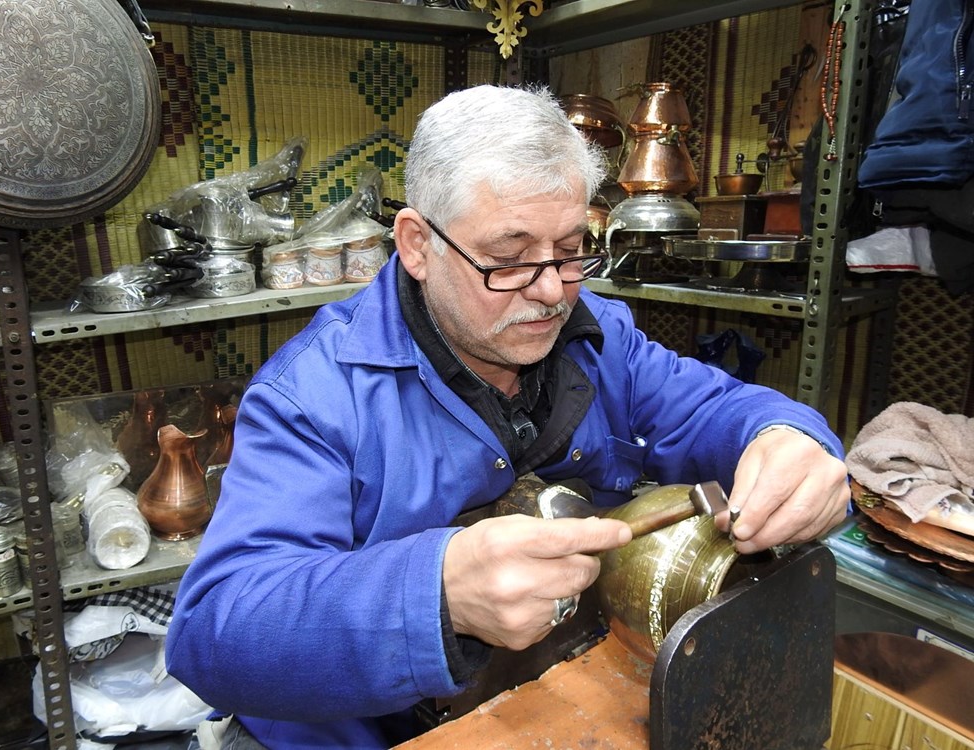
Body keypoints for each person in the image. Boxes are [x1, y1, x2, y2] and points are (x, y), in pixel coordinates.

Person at [166, 84, 850, 749]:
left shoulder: (601, 337)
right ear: (416, 245)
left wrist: (790, 439)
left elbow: (720, 408)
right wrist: (437, 596)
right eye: (508, 259)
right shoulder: (313, 397)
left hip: (549, 696)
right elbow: (212, 631)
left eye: (572, 247)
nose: (552, 290)